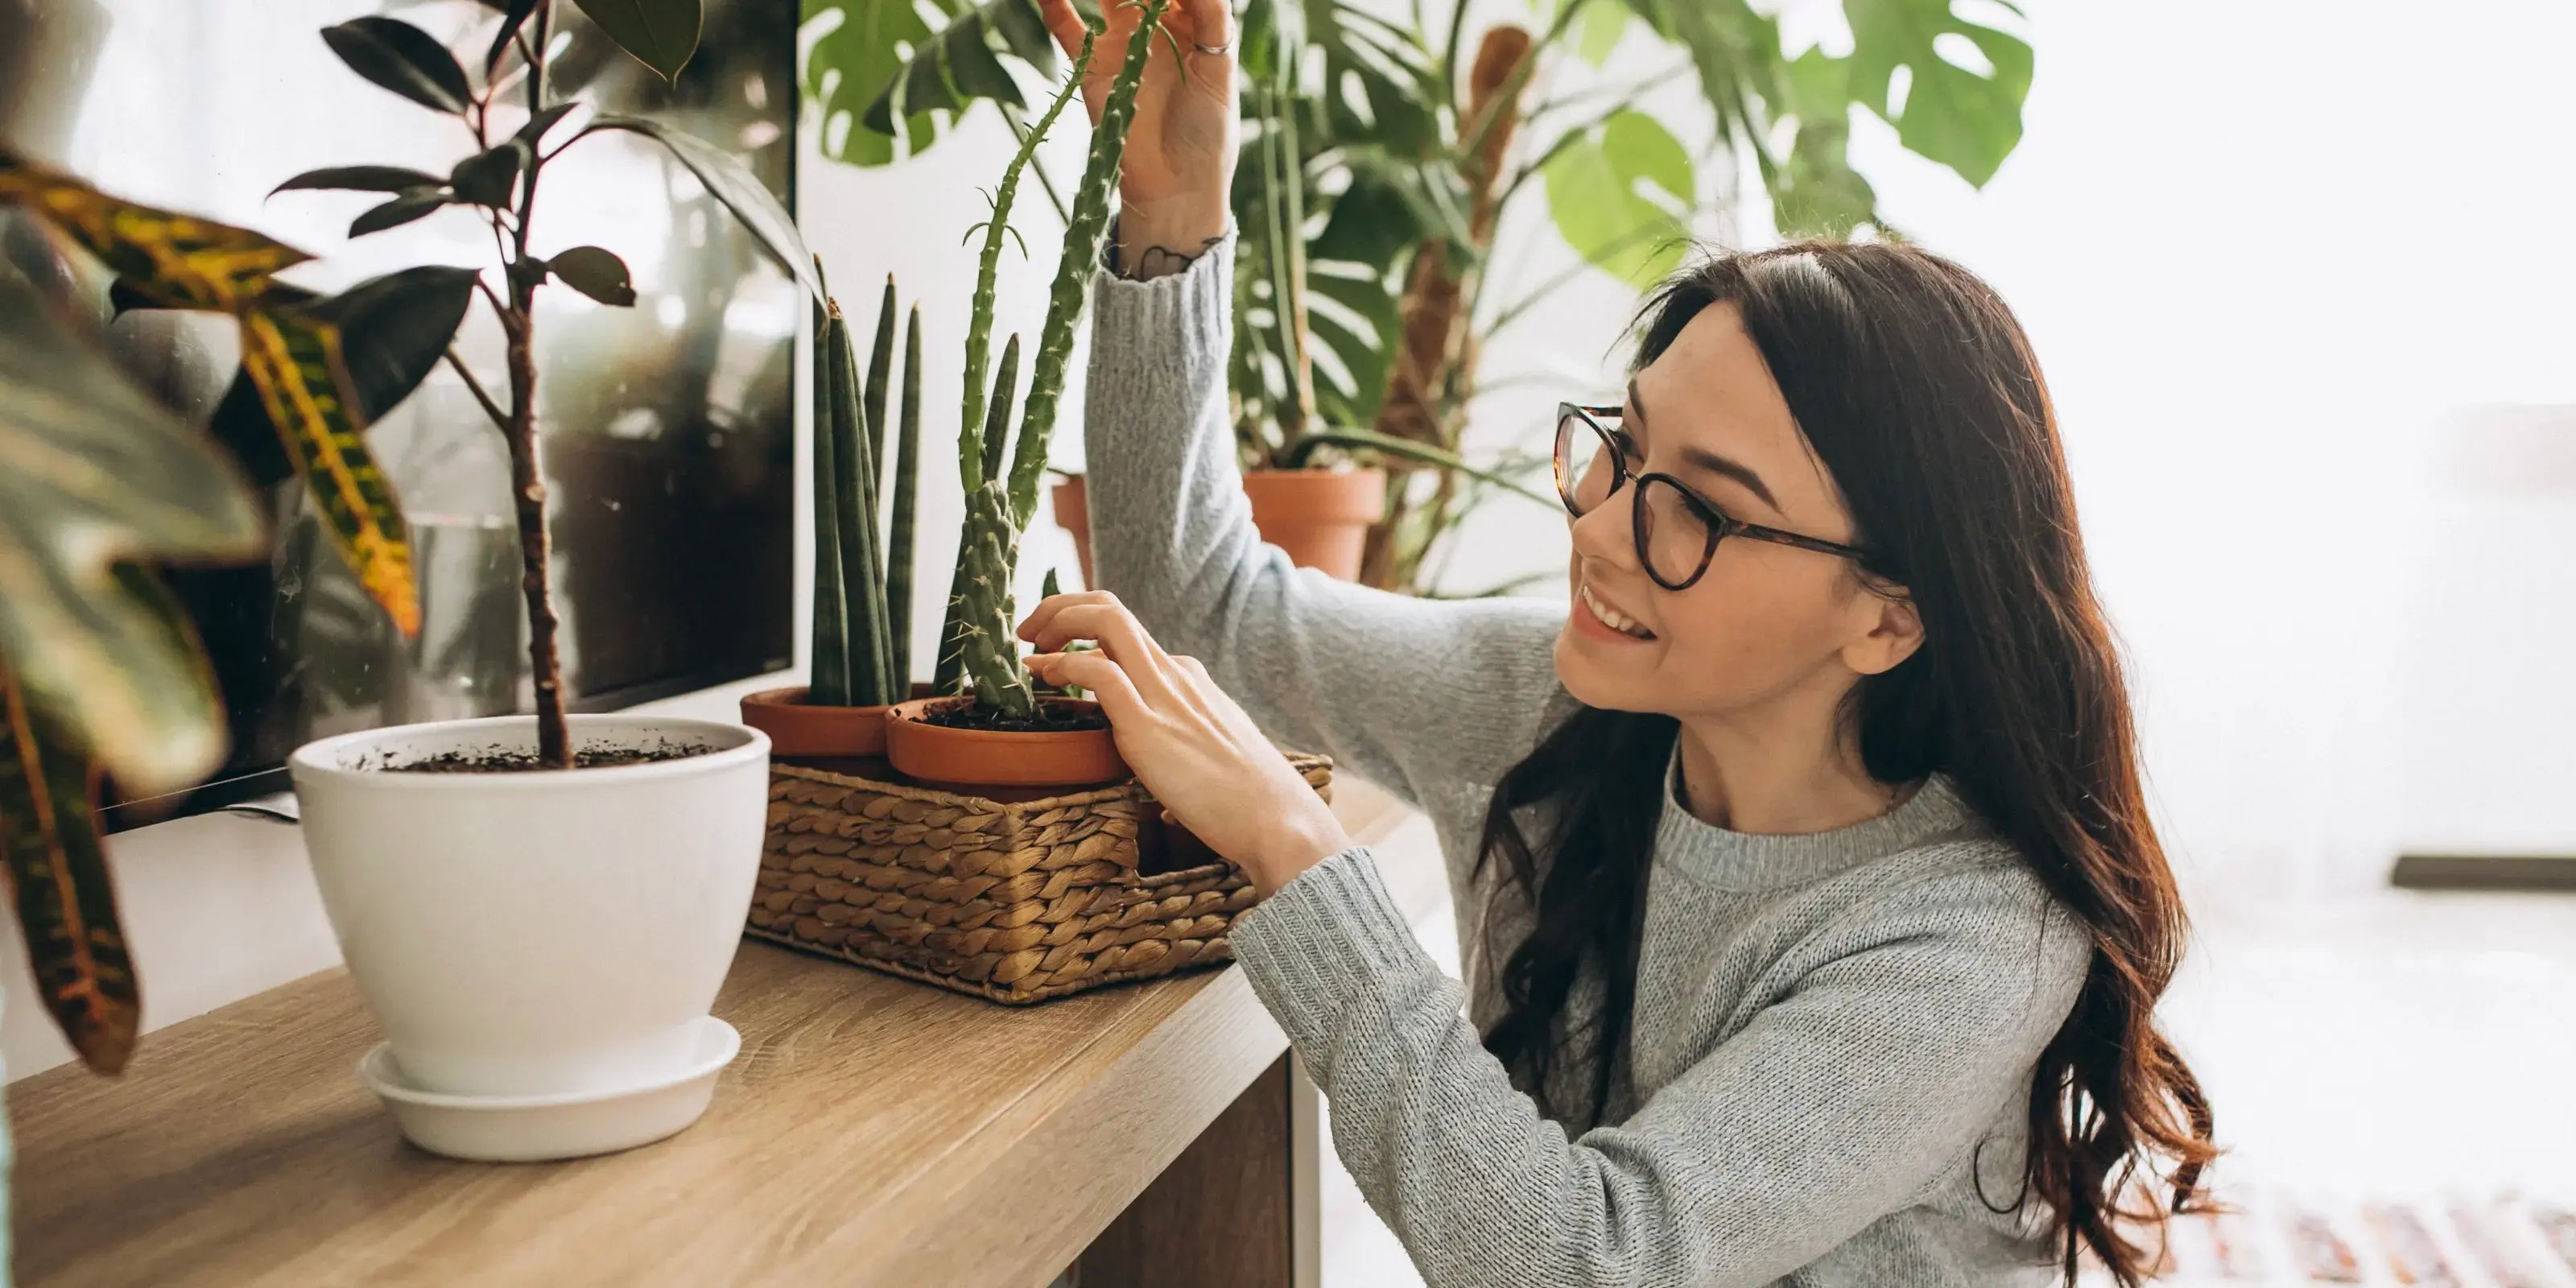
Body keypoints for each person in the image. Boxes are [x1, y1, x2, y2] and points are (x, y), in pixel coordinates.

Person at [1018, 1, 2217, 1283]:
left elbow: (1587, 1261)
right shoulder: (1549, 709)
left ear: (1888, 614)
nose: (1599, 531)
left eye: (1697, 508)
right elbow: (1205, 611)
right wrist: (1170, 222)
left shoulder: (1970, 932)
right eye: (1624, 447)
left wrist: (1299, 852)